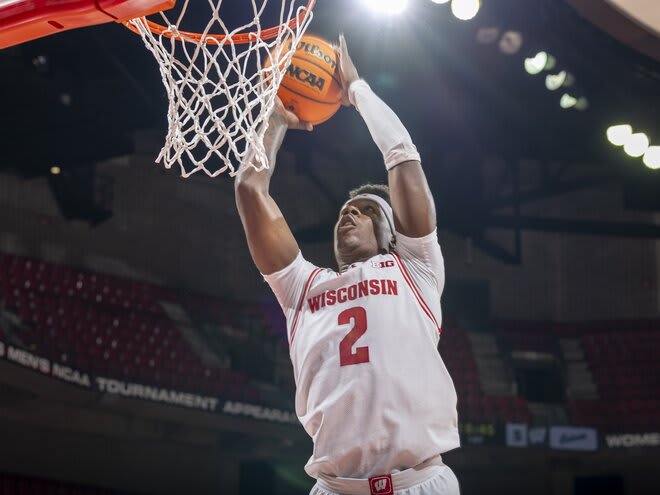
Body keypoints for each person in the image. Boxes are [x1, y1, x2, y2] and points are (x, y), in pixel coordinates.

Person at [235, 34, 460, 495]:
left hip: (419, 483)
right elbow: (249, 190)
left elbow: (402, 156)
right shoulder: (302, 288)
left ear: (395, 233)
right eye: (344, 211)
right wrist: (274, 120)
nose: (348, 213)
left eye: (366, 210)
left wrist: (357, 90)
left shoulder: (415, 269)